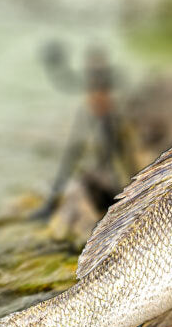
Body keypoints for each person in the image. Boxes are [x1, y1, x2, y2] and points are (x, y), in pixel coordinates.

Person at [31, 42, 139, 220]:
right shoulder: (99, 80)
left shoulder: (107, 78)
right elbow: (66, 80)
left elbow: (118, 82)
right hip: (89, 116)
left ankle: (131, 200)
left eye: (98, 68)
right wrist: (54, 66)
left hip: (107, 118)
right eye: (92, 68)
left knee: (117, 159)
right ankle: (51, 203)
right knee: (72, 158)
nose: (94, 73)